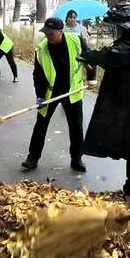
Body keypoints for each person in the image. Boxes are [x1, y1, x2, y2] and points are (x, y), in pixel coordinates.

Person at [78, 2, 130, 196]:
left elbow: (114, 56)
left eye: (119, 24)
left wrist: (92, 55)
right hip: (129, 100)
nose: (117, 29)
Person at [21, 17, 86, 172]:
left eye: (51, 34)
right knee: (41, 124)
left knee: (76, 126)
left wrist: (91, 79)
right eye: (46, 33)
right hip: (51, 92)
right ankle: (33, 157)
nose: (48, 36)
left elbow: (88, 58)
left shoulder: (76, 41)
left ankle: (76, 159)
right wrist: (40, 96)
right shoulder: (42, 48)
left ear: (60, 32)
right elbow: (38, 75)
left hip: (72, 90)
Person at [64, 9, 95, 84]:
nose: (72, 19)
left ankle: (91, 79)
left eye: (74, 18)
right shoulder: (62, 28)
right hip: (65, 51)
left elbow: (86, 42)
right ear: (67, 18)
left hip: (79, 50)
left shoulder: (81, 28)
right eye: (70, 17)